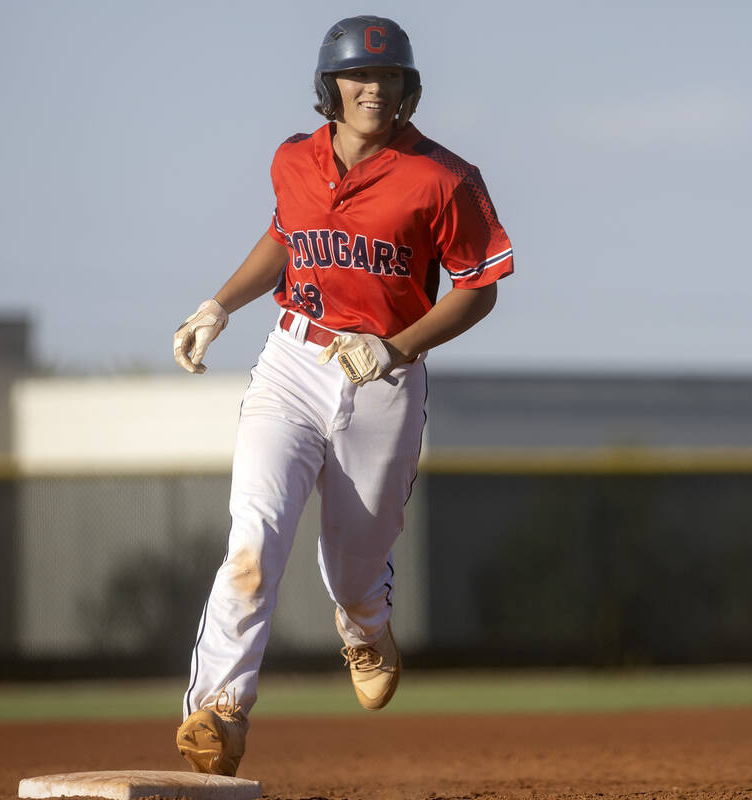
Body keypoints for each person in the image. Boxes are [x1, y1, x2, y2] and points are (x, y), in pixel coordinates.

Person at [170, 15, 513, 777]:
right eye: (361, 75)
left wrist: (396, 346)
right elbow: (287, 236)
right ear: (331, 86)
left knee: (353, 568)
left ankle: (365, 626)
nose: (375, 89)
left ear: (409, 88)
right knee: (254, 544)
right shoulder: (293, 158)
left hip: (385, 379)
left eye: (390, 77)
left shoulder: (442, 177)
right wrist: (219, 305)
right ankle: (217, 713)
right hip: (293, 362)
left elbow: (480, 286)